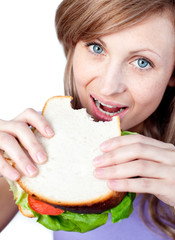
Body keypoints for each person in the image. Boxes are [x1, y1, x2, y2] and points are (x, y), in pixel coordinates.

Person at [0, 0, 175, 239]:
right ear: (73, 44)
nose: (108, 86)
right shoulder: (34, 142)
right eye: (96, 47)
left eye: (142, 62)